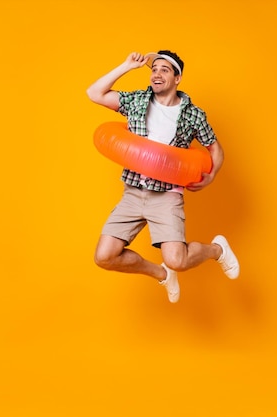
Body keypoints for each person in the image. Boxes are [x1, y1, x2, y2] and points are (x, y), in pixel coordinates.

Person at [86, 50, 239, 303]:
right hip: (133, 192)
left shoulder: (193, 115)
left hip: (167, 196)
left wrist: (211, 176)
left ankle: (217, 249)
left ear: (177, 78)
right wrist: (126, 66)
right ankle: (161, 273)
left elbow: (215, 148)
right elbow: (94, 93)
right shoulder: (136, 101)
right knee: (104, 257)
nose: (156, 74)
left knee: (177, 260)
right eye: (154, 69)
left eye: (164, 70)